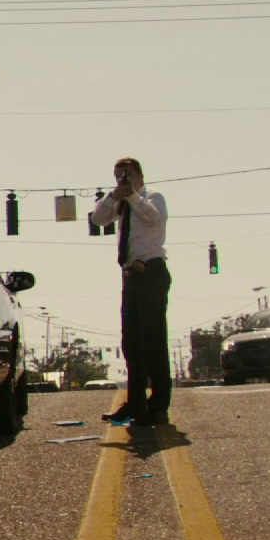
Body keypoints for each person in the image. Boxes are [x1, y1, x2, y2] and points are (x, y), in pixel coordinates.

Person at [89, 157, 171, 427]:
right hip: (131, 276)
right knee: (132, 343)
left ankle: (158, 406)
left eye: (127, 175)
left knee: (153, 340)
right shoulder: (120, 204)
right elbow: (99, 219)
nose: (122, 180)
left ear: (140, 176)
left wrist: (133, 195)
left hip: (151, 271)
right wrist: (114, 196)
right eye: (118, 176)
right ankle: (136, 404)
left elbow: (153, 217)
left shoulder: (152, 197)